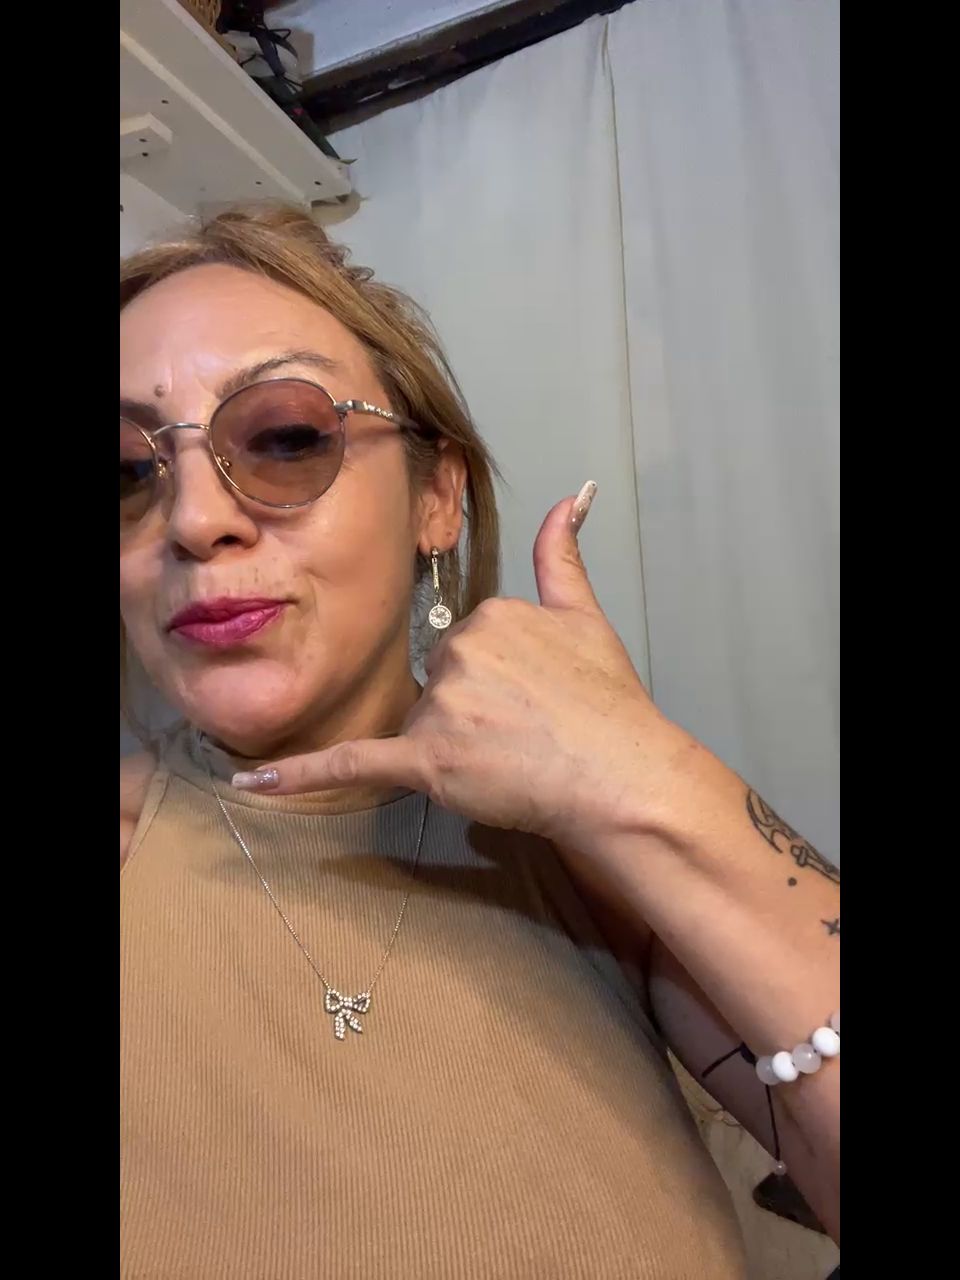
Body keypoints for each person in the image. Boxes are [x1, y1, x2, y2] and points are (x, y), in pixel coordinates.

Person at [120, 205, 839, 1278]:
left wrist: (643, 780)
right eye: (128, 472)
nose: (192, 520)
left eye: (285, 438)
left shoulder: (580, 851)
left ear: (438, 497)